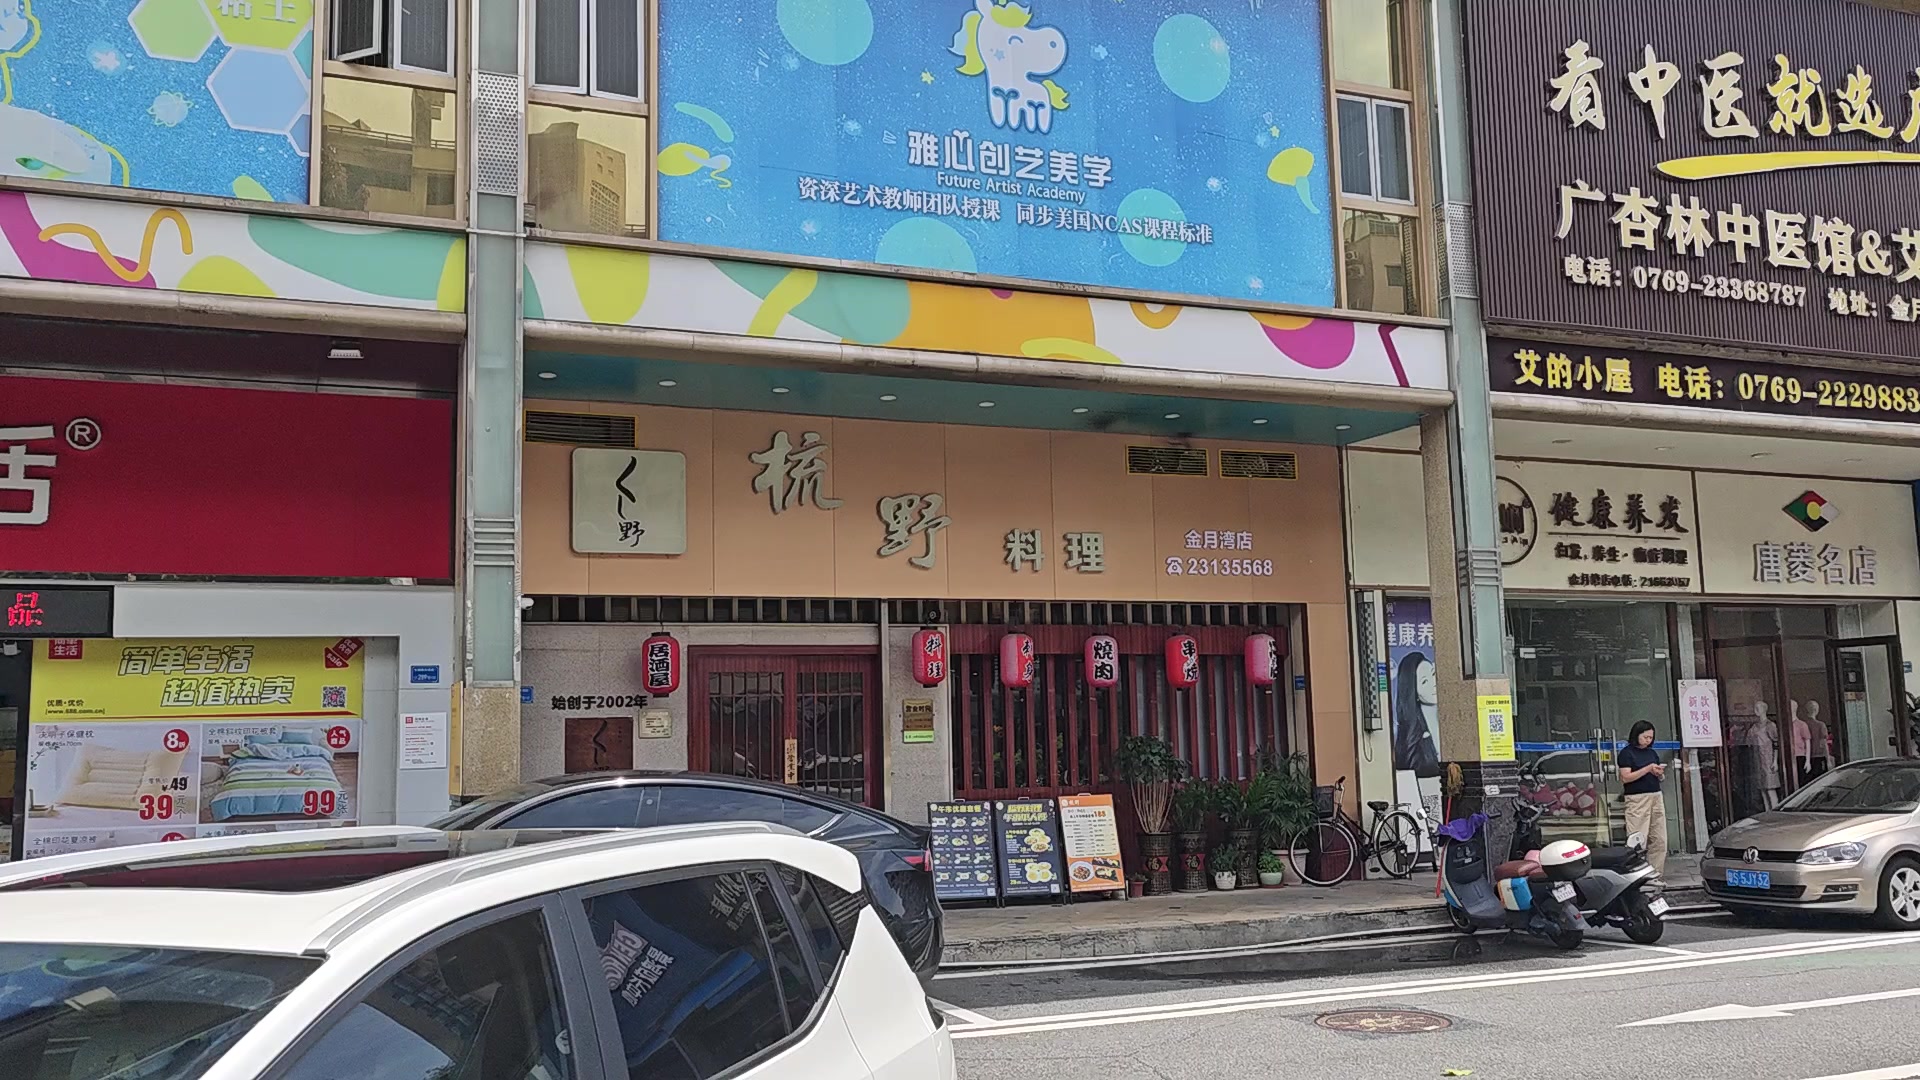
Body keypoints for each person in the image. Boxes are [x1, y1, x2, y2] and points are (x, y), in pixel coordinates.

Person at [1617, 720, 1668, 877]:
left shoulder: (1652, 753)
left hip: (1655, 795)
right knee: (1638, 839)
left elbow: (1660, 777)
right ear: (1636, 735)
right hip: (1637, 798)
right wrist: (1647, 768)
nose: (1648, 740)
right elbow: (1625, 777)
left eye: (1651, 737)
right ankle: (1637, 875)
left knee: (1659, 839)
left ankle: (1656, 874)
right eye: (1645, 737)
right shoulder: (1627, 753)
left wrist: (1659, 773)